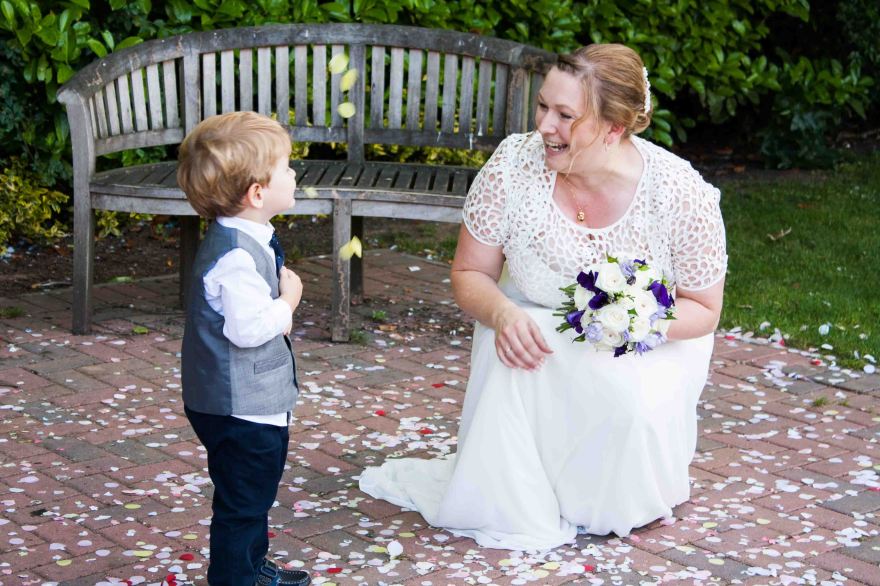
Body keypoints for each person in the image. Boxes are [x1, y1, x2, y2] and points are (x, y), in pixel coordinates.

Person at [359, 44, 727, 551]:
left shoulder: (679, 194)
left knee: (625, 409)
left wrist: (635, 320)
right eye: (542, 107)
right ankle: (524, 492)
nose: (544, 127)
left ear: (614, 128)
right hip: (532, 329)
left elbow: (705, 309)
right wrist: (502, 313)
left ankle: (605, 491)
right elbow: (470, 272)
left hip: (649, 342)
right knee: (515, 350)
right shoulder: (513, 164)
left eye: (565, 115)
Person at [177, 112, 311, 585]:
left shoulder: (244, 238)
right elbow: (250, 329)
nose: (295, 173)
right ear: (258, 192)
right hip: (241, 411)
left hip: (249, 404)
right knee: (243, 502)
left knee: (251, 496)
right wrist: (287, 302)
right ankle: (236, 578)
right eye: (287, 167)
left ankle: (250, 567)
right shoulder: (235, 256)